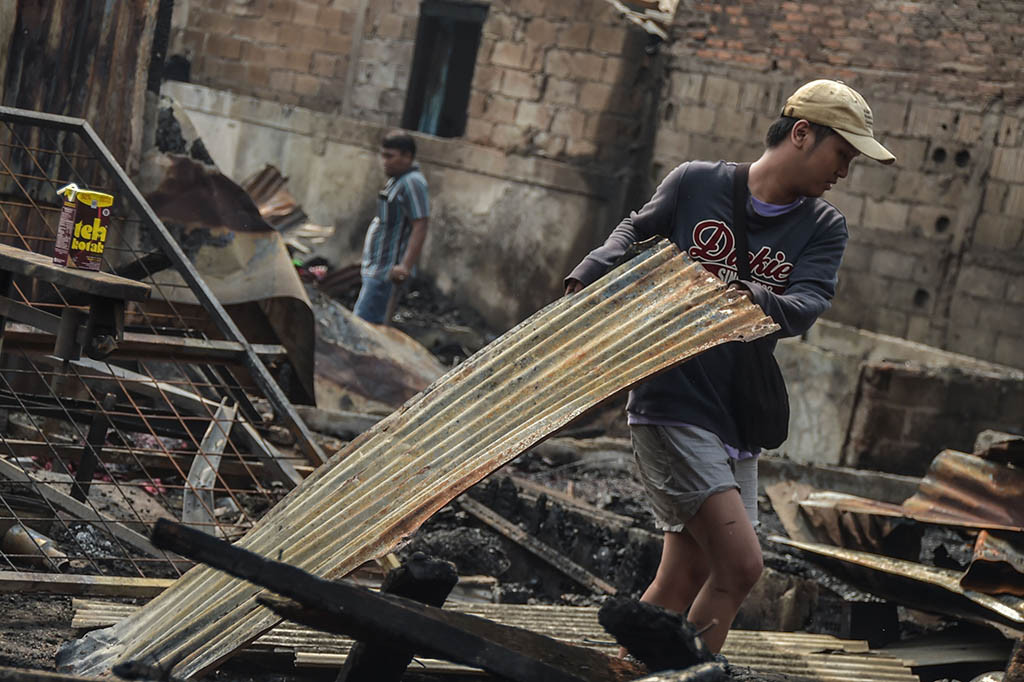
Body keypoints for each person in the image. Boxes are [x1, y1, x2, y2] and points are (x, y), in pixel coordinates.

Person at [564, 80, 895, 653]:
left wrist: (739, 295)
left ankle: (626, 670)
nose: (844, 172)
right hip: (672, 397)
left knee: (686, 575)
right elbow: (636, 230)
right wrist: (589, 274)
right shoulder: (696, 182)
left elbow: (804, 308)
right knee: (742, 566)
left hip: (738, 415)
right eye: (842, 154)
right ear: (801, 134)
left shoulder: (823, 227)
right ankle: (683, 673)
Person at [353, 131, 430, 324]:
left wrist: (404, 266)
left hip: (387, 273)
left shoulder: (412, 183)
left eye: (390, 156)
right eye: (383, 155)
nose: (384, 161)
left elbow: (420, 225)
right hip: (378, 269)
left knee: (364, 327)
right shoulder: (398, 180)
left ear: (407, 156)